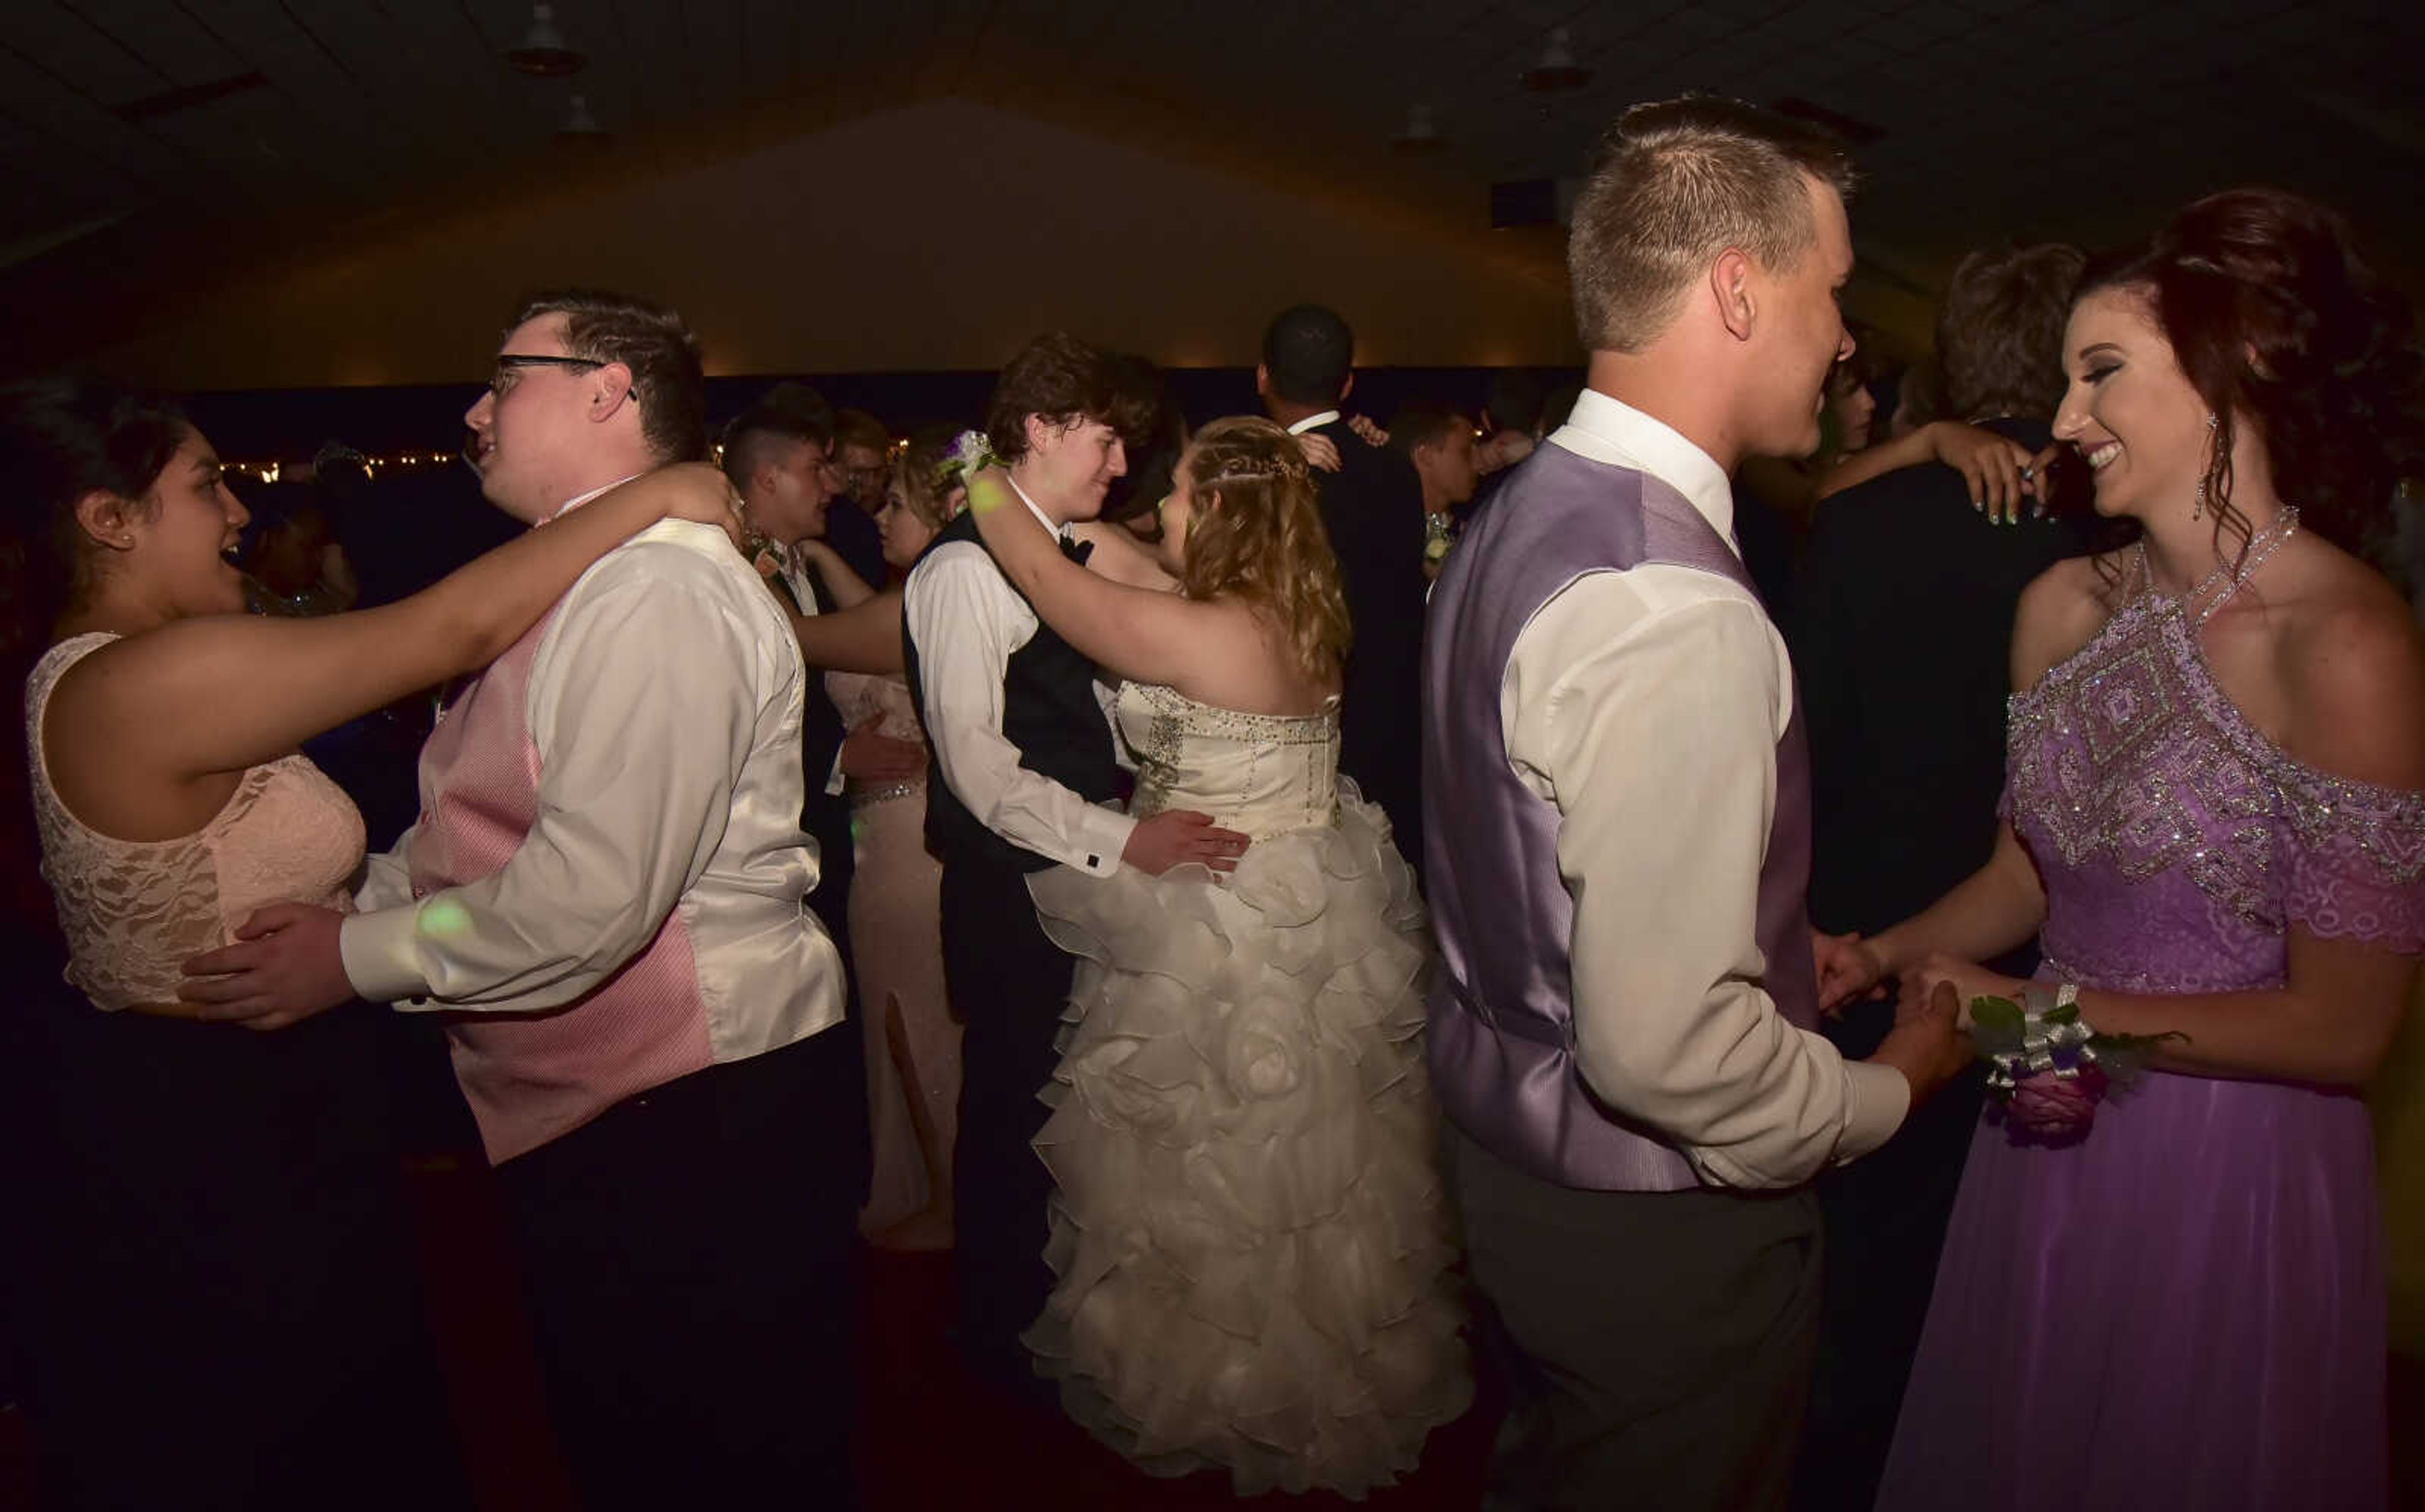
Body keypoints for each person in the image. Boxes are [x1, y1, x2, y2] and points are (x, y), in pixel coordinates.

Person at [177, 290, 866, 1509]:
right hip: (626, 1111)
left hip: (695, 1116)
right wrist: (360, 899)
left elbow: (582, 904)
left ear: (609, 391)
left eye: (509, 377)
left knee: (709, 1452)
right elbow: (484, 827)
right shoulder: (591, 575)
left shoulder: (657, 596)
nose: (475, 409)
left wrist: (356, 956)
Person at [1, 373, 738, 1510]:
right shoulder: (142, 677)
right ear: (109, 521)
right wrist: (667, 491)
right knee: (274, 1435)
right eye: (204, 488)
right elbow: (451, 629)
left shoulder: (127, 666)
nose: (242, 512)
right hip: (210, 1129)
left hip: (245, 1094)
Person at [1828, 188, 2425, 1512]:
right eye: (2061, 379)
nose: (2060, 421)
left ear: (2245, 368)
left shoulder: (2346, 641)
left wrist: (2038, 1011)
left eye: (2102, 375)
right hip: (2040, 1137)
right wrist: (1873, 955)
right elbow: (2024, 880)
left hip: (2227, 1174)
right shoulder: (2058, 604)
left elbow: (2346, 1030)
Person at [1420, 97, 1973, 1512]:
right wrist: (1884, 1089)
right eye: (1833, 290)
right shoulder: (1670, 603)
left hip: (1509, 1170)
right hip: (1649, 1234)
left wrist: (1779, 959)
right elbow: (1667, 1051)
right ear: (1739, 289)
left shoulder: (1528, 506)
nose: (1846, 336)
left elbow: (1547, 866)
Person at [965, 415, 1470, 1494]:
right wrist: (1102, 531)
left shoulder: (1204, 635)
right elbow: (1132, 565)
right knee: (1314, 1184)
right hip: (1311, 914)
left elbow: (1052, 585)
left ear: (1228, 514)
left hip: (1221, 933)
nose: (1163, 512)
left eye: (1184, 495)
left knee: (1210, 1180)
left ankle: (1225, 1395)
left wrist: (980, 471)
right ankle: (1314, 1382)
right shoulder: (1298, 614)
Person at [1784, 241, 2098, 1511]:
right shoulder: (2108, 530)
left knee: (1871, 1250)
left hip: (1868, 911)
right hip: (2047, 923)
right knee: (2035, 1248)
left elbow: (1795, 741)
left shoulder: (1854, 520)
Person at [901, 331, 1247, 1398]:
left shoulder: (1054, 554)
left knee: (1070, 1116)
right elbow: (975, 766)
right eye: (1106, 444)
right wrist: (1125, 839)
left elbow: (1082, 703)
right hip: (1012, 892)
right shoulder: (962, 568)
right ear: (1044, 430)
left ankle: (1053, 1322)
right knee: (1014, 1115)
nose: (1118, 469)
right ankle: (995, 1343)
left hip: (1071, 884)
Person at [829, 433, 967, 1248]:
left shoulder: (913, 614)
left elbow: (798, 635)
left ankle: (952, 1204)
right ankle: (933, 1187)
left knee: (919, 1025)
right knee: (899, 1021)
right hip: (883, 837)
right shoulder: (913, 598)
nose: (880, 516)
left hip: (909, 843)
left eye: (896, 506)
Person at [1256, 304, 1430, 883]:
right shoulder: (1396, 467)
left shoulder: (1261, 483)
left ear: (1263, 378)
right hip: (1396, 726)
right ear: (1348, 383)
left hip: (1303, 739)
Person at [1389, 400, 1482, 580]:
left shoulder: (1471, 535)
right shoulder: (1389, 538)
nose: (1477, 464)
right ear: (1425, 456)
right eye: (1465, 452)